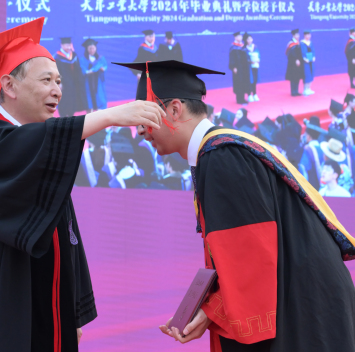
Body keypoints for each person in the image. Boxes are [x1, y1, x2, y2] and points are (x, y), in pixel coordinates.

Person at [0, 18, 166, 352]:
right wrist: (109, 116)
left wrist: (71, 307)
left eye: (59, 81)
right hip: (1, 303)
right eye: (46, 80)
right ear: (9, 86)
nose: (57, 90)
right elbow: (24, 146)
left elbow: (65, 232)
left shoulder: (39, 154)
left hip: (47, 305)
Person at [113, 59, 355, 352]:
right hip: (305, 299)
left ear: (174, 110)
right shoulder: (221, 151)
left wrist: (213, 311)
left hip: (304, 312)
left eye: (144, 117)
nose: (140, 131)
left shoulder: (222, 157)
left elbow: (252, 261)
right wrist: (209, 311)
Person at [54, 37, 87, 116]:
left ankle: (71, 115)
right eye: (66, 45)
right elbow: (56, 71)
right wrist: (59, 82)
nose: (68, 47)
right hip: (64, 83)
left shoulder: (74, 55)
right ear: (61, 45)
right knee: (64, 100)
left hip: (74, 83)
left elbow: (78, 69)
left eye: (69, 45)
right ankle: (63, 116)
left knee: (73, 100)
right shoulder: (57, 57)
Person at [79, 38, 107, 112]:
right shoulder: (83, 59)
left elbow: (105, 66)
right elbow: (83, 70)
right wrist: (89, 71)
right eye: (90, 48)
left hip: (98, 82)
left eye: (93, 48)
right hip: (88, 83)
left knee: (99, 98)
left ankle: (100, 114)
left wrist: (102, 68)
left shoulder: (100, 58)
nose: (92, 50)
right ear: (86, 49)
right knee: (89, 100)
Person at [299, 116, 326, 190]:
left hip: (312, 188)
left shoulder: (307, 150)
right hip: (323, 187)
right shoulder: (324, 148)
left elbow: (304, 169)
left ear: (308, 136)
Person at [228, 31, 250, 104]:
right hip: (238, 68)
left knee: (244, 82)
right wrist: (233, 67)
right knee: (238, 82)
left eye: (241, 36)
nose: (240, 37)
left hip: (244, 68)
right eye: (239, 36)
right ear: (235, 37)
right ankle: (239, 99)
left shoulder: (242, 45)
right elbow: (232, 58)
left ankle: (243, 98)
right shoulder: (233, 46)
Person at [285, 29, 304, 96]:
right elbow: (290, 53)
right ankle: (293, 91)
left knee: (297, 76)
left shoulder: (298, 43)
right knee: (293, 76)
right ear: (293, 35)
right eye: (296, 35)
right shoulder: (291, 43)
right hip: (292, 63)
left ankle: (296, 90)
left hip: (299, 62)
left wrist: (299, 60)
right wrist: (296, 59)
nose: (298, 36)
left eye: (298, 34)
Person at [243, 32, 260, 102]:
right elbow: (243, 58)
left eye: (250, 39)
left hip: (255, 66)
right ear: (245, 40)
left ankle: (255, 94)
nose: (249, 40)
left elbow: (258, 54)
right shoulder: (244, 48)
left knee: (254, 80)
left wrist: (258, 59)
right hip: (248, 67)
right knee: (249, 80)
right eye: (248, 39)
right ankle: (249, 95)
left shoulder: (255, 46)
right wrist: (249, 61)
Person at [300, 30, 315, 96]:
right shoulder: (302, 43)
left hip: (311, 61)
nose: (309, 36)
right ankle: (305, 90)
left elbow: (313, 50)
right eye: (307, 35)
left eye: (309, 35)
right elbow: (302, 52)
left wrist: (314, 57)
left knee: (311, 74)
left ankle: (309, 88)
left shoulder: (310, 42)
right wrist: (304, 58)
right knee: (306, 74)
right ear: (304, 35)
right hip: (305, 62)